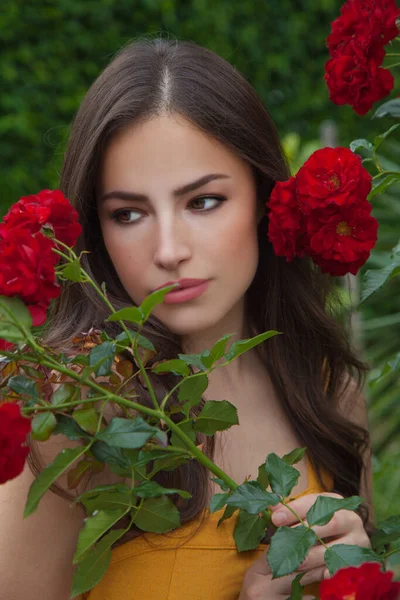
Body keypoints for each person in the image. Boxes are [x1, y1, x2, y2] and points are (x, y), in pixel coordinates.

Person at [0, 37, 373, 600]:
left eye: (202, 202)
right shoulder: (78, 417)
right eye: (128, 213)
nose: (169, 249)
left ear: (264, 196)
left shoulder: (328, 391)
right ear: (95, 231)